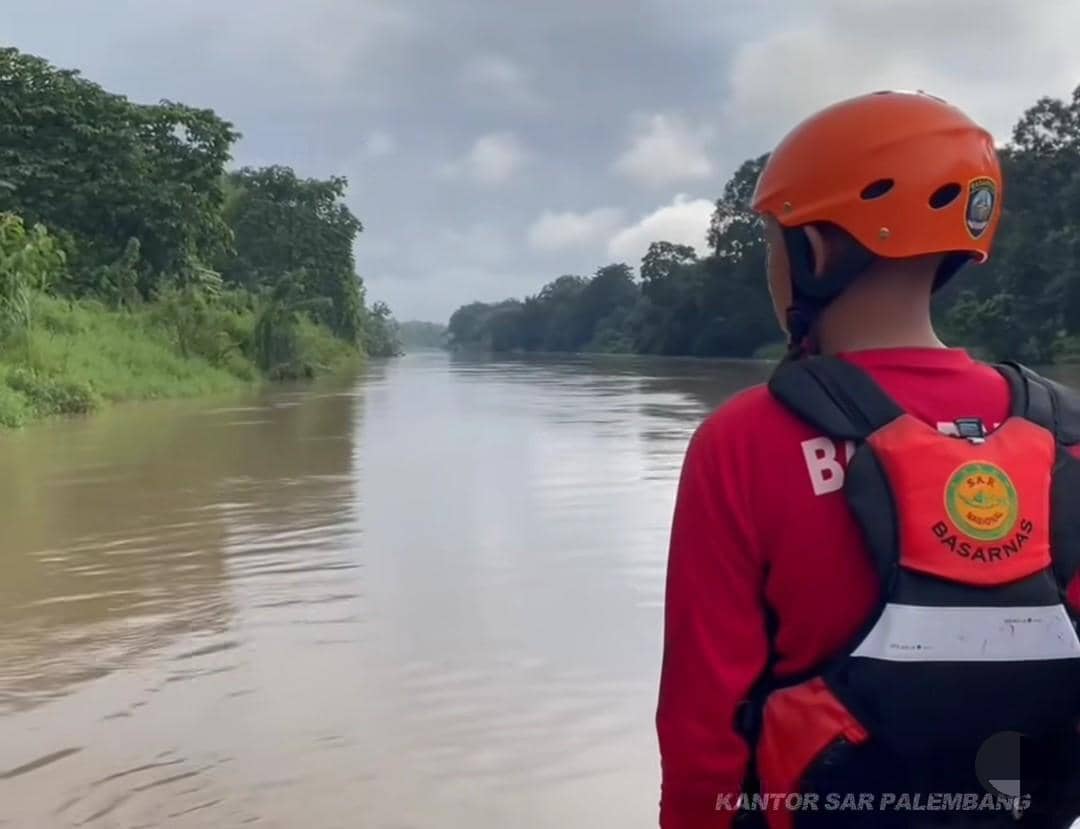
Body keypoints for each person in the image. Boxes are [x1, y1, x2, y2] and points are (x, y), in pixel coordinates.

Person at [655, 90, 1080, 829]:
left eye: (772, 243)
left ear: (812, 252)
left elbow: (703, 736)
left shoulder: (743, 442)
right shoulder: (1066, 435)